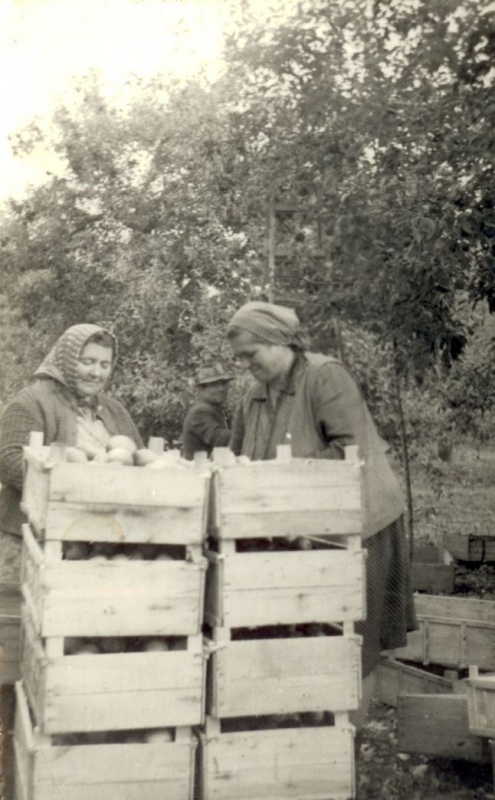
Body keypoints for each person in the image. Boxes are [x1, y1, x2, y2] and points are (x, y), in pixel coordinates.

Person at [226, 301, 416, 743]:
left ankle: (345, 744)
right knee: (306, 631)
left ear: (279, 342)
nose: (245, 364)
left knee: (353, 638)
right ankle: (308, 737)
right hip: (301, 533)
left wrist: (279, 476)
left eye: (250, 353)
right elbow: (236, 459)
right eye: (239, 357)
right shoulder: (253, 397)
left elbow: (351, 453)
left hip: (359, 526)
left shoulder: (324, 376)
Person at [0, 323, 143, 798]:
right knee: (25, 660)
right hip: (36, 546)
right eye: (87, 361)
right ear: (65, 359)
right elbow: (10, 461)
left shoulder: (114, 410)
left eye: (104, 364)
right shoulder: (31, 402)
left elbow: (138, 457)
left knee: (84, 654)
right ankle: (18, 772)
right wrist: (72, 471)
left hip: (99, 550)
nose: (96, 372)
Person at [181, 362, 232, 460]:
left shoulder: (215, 408)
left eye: (223, 383)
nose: (221, 389)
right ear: (202, 389)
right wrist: (248, 435)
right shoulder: (200, 411)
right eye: (214, 385)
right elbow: (217, 437)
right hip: (199, 468)